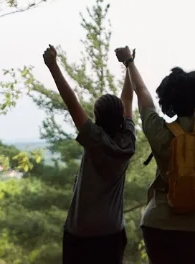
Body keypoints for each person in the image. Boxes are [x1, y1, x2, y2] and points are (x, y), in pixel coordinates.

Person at [119, 26, 195, 264]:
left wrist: (129, 62)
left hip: (158, 226)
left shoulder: (159, 131)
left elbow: (141, 93)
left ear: (167, 99)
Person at [42, 44, 136, 264]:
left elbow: (71, 102)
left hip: (81, 231)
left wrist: (53, 66)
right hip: (112, 231)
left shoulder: (94, 140)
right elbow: (129, 101)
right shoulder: (128, 142)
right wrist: (129, 63)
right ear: (122, 116)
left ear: (96, 117)